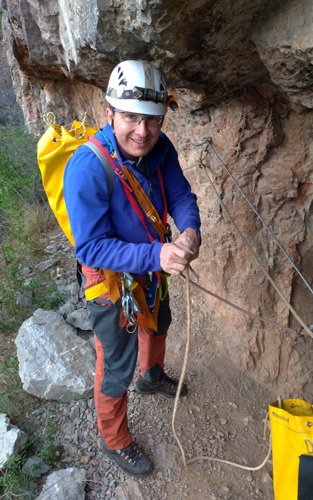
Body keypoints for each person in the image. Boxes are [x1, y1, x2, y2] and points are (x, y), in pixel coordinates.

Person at [63, 60, 201, 477]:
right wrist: (157, 255)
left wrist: (190, 232)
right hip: (109, 279)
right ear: (109, 114)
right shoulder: (86, 168)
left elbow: (180, 196)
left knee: (159, 321)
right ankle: (114, 439)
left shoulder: (161, 150)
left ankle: (152, 375)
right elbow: (91, 247)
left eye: (152, 121)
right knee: (115, 360)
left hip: (151, 265)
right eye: (130, 118)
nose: (142, 131)